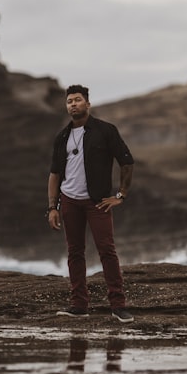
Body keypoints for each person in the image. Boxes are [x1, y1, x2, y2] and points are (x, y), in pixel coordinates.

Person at [47, 84, 135, 321]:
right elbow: (54, 174)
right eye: (69, 101)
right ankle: (79, 305)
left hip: (97, 202)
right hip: (69, 202)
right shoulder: (62, 136)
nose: (73, 104)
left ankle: (118, 305)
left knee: (107, 251)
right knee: (75, 252)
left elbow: (126, 162)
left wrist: (120, 196)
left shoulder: (105, 131)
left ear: (88, 103)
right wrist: (52, 207)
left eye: (77, 100)